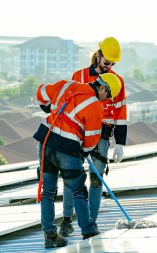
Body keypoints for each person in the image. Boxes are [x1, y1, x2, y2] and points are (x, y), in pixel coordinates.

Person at [33, 73, 122, 248]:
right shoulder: (96, 106)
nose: (106, 100)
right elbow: (92, 138)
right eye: (108, 95)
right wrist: (83, 153)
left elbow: (41, 92)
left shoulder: (67, 85)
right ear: (103, 88)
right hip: (67, 147)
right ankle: (88, 230)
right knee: (78, 190)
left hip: (45, 141)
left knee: (48, 192)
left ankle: (50, 235)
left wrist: (49, 106)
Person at [59, 37, 127, 237]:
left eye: (113, 64)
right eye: (107, 62)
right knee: (71, 177)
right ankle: (66, 219)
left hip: (102, 136)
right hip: (77, 134)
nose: (109, 67)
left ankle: (91, 222)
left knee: (96, 178)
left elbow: (120, 112)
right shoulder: (78, 76)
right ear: (97, 55)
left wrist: (120, 143)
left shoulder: (116, 81)